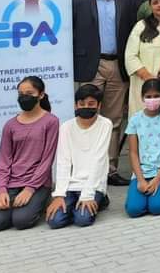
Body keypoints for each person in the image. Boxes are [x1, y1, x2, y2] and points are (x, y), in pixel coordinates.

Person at [72, 0, 140, 186]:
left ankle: (110, 167)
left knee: (113, 119)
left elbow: (132, 34)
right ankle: (88, 166)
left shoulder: (127, 1)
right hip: (91, 65)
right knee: (87, 114)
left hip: (117, 65)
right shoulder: (78, 2)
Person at [0, 76, 59, 232]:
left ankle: (42, 199)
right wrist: (1, 190)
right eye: (21, 94)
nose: (24, 97)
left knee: (21, 221)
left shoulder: (51, 122)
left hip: (38, 184)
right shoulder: (10, 125)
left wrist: (30, 189)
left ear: (41, 95)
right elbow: (3, 160)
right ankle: (17, 204)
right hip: (12, 183)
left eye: (29, 93)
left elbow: (47, 160)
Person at [47, 85, 113, 229]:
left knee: (82, 220)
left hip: (94, 184)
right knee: (55, 221)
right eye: (81, 104)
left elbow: (99, 160)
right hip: (71, 185)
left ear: (99, 105)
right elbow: (63, 162)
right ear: (75, 105)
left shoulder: (105, 124)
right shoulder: (66, 127)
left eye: (91, 104)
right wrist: (59, 195)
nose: (85, 107)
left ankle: (98, 199)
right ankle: (75, 207)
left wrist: (88, 195)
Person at [124, 78, 160, 218]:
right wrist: (140, 179)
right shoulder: (135, 119)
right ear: (142, 98)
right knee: (133, 210)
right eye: (148, 96)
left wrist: (158, 179)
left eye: (156, 96)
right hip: (141, 172)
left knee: (157, 208)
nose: (152, 99)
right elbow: (133, 153)